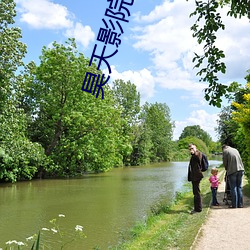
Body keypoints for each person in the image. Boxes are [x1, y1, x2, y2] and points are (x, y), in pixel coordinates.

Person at [188, 143, 204, 214]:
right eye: (190, 149)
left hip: (196, 176)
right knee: (196, 192)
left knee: (196, 192)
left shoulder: (198, 154)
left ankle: (198, 209)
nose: (191, 150)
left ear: (195, 148)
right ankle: (197, 208)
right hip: (195, 176)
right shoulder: (194, 155)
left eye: (192, 148)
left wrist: (194, 152)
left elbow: (198, 158)